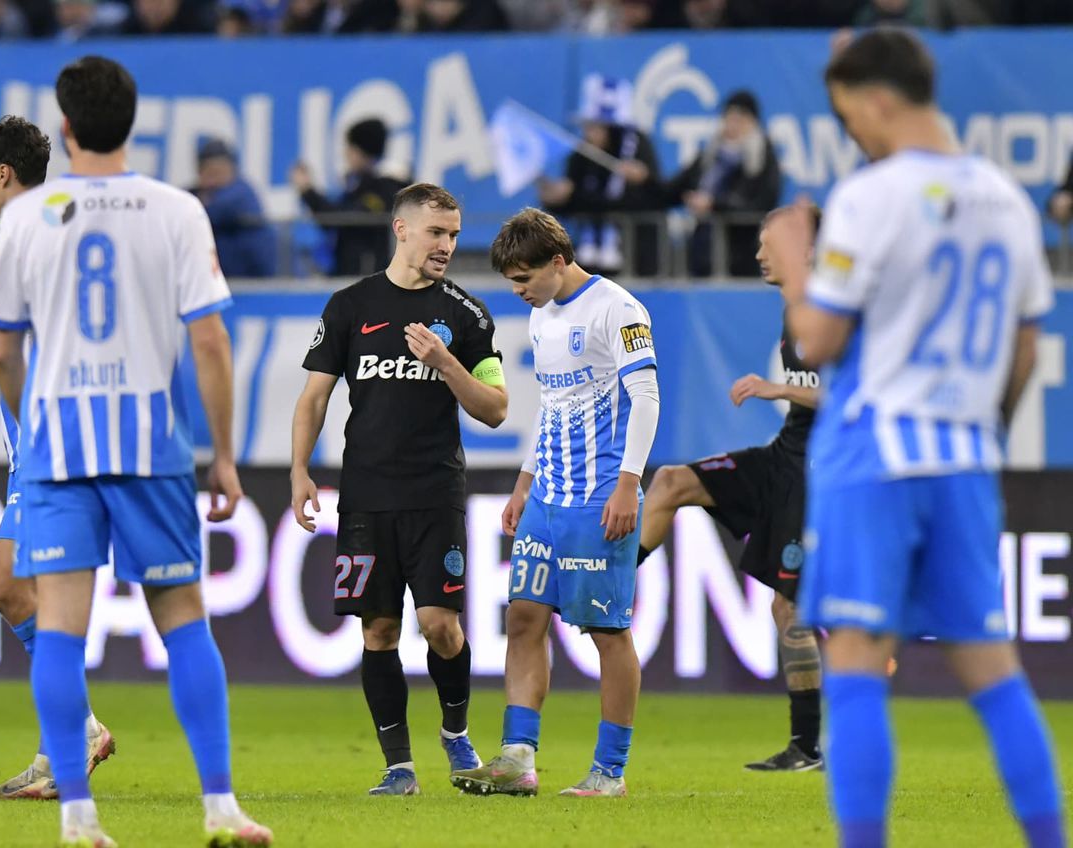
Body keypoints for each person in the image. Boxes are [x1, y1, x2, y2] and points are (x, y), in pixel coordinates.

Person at [771, 30, 1065, 848]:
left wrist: (797, 267)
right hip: (965, 459)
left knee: (859, 658)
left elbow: (821, 340)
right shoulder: (1007, 198)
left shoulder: (874, 195)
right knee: (993, 671)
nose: (852, 131)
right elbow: (1026, 347)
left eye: (847, 113)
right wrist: (978, 432)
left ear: (877, 99)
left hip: (877, 459)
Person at [0, 56, 271, 847]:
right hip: (151, 447)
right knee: (183, 626)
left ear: (65, 127)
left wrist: (25, 429)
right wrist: (227, 456)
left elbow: (4, 355)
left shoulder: (26, 219)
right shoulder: (177, 210)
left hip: (61, 452)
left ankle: (78, 818)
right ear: (132, 124)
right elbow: (209, 341)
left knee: (63, 633)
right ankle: (220, 807)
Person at [290, 182, 507, 796]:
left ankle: (457, 733)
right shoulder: (349, 306)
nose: (448, 245)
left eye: (455, 234)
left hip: (435, 493)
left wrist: (447, 364)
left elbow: (495, 408)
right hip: (364, 498)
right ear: (402, 229)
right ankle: (398, 767)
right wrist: (299, 470)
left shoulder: (467, 315)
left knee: (441, 625)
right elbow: (314, 397)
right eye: (438, 232)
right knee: (378, 632)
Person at [0, 116, 116, 802]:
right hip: (33, 450)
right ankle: (64, 746)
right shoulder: (45, 228)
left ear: (3, 172)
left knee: (13, 589)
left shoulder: (35, 234)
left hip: (56, 446)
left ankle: (71, 745)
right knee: (17, 591)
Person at [453, 207, 659, 797]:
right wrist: (524, 482)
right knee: (523, 617)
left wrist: (628, 482)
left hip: (599, 497)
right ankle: (518, 759)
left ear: (559, 262)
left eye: (525, 279)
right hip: (547, 494)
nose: (519, 292)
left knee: (606, 632)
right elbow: (550, 404)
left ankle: (609, 772)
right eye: (513, 282)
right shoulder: (543, 317)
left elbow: (645, 399)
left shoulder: (618, 309)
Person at [637, 204, 823, 772]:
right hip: (786, 455)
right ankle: (610, 587)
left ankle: (807, 746)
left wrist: (777, 389)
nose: (760, 253)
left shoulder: (833, 312)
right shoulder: (793, 312)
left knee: (789, 607)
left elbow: (859, 399)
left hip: (820, 469)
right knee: (670, 481)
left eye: (771, 244)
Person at [539, 75, 664, 277]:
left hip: (634, 257)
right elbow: (576, 202)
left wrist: (644, 180)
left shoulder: (638, 148)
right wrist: (559, 198)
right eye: (587, 125)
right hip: (587, 260)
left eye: (597, 126)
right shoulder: (582, 154)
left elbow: (659, 195)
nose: (590, 132)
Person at [665, 89, 781, 278]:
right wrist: (645, 179)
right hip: (702, 253)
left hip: (742, 256)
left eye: (740, 119)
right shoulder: (710, 156)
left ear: (753, 122)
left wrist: (714, 204)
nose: (732, 125)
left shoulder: (762, 159)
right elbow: (672, 190)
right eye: (729, 118)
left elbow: (759, 204)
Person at [290, 119, 409, 277]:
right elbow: (333, 217)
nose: (346, 154)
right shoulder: (360, 184)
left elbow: (343, 219)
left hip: (369, 280)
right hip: (354, 277)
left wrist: (308, 192)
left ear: (362, 151)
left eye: (350, 148)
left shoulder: (387, 187)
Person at [192, 139, 277, 278]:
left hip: (256, 280)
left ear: (232, 169)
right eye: (208, 170)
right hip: (223, 280)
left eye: (219, 170)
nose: (213, 177)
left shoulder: (241, 192)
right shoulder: (197, 194)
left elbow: (209, 212)